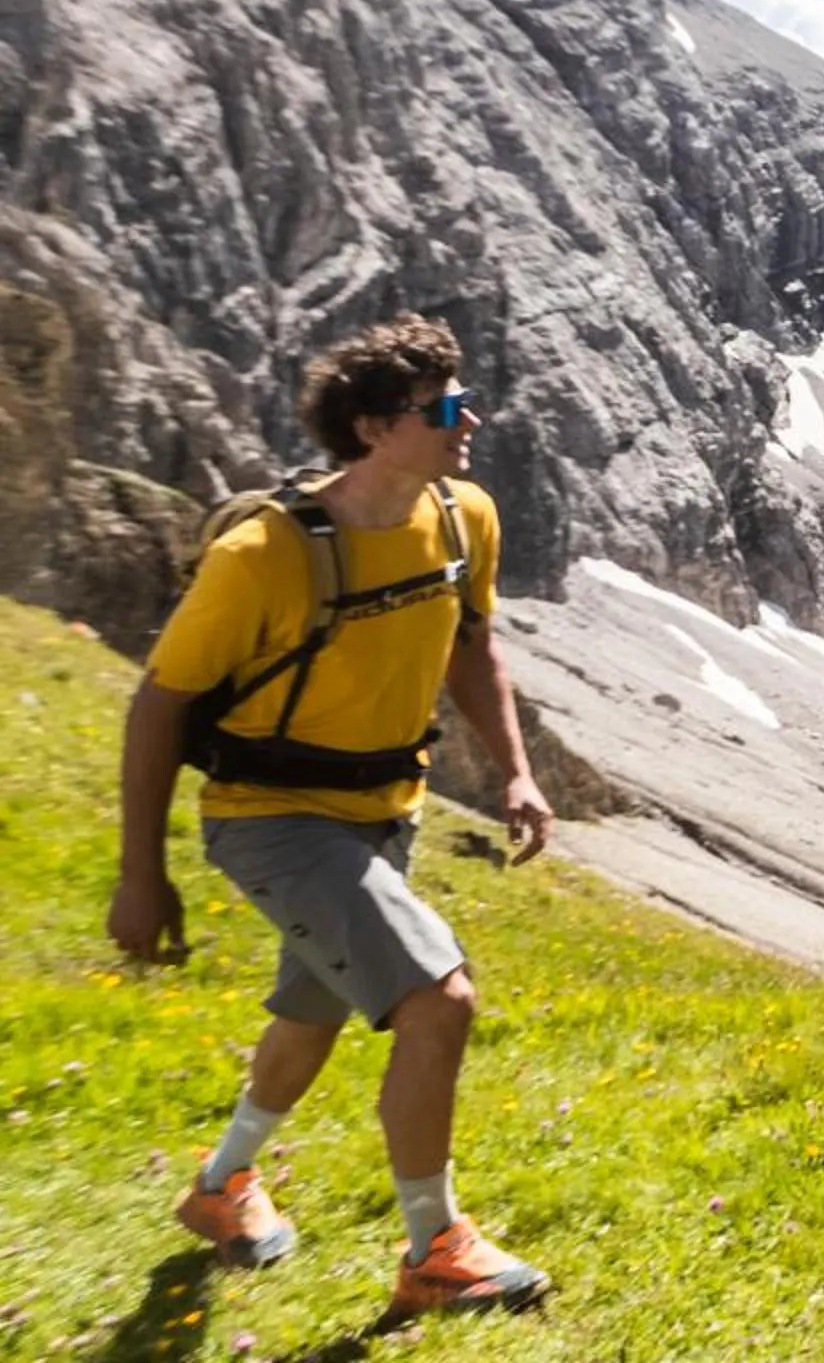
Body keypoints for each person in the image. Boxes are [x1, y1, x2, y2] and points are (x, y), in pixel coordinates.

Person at [106, 313, 557, 1320]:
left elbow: (471, 643)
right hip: (270, 815)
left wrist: (517, 773)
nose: (468, 418)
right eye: (442, 406)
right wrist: (142, 874)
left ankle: (221, 1186)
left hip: (385, 810)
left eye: (463, 398)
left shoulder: (464, 518)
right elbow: (159, 703)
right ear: (371, 428)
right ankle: (436, 1249)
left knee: (311, 1011)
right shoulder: (262, 555)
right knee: (440, 1001)